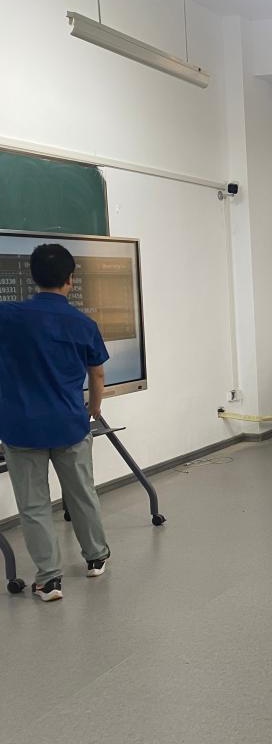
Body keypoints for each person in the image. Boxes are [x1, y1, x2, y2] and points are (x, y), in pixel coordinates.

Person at [0, 243, 111, 602]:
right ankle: (95, 558)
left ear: (32, 276)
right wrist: (94, 408)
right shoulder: (83, 323)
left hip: (21, 428)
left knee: (33, 505)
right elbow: (97, 374)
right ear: (70, 279)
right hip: (69, 424)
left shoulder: (7, 315)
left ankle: (49, 581)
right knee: (81, 494)